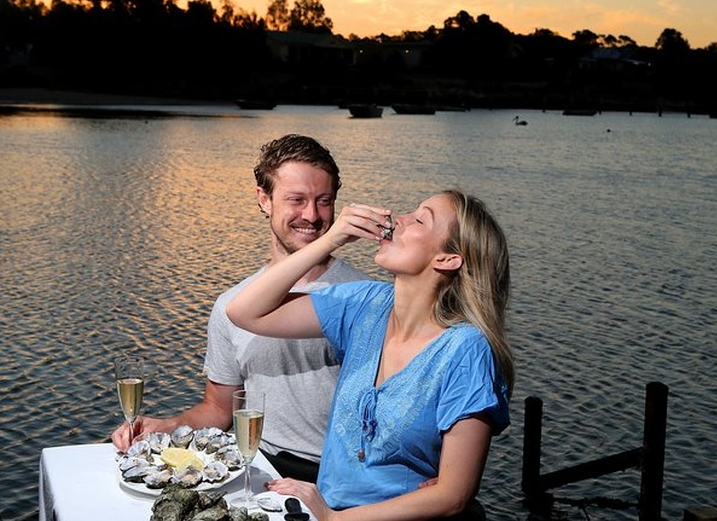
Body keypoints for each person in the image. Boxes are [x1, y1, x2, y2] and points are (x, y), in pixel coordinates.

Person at [226, 190, 515, 520]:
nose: (398, 219)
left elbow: (453, 494)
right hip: (327, 511)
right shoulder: (365, 304)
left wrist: (335, 519)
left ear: (447, 259)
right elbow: (245, 312)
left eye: (419, 219)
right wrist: (329, 240)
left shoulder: (466, 351)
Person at [110, 134, 371, 482]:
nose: (311, 215)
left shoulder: (366, 296)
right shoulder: (230, 306)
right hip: (258, 470)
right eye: (297, 199)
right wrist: (167, 425)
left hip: (342, 478)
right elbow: (219, 409)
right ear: (264, 199)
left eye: (324, 201)